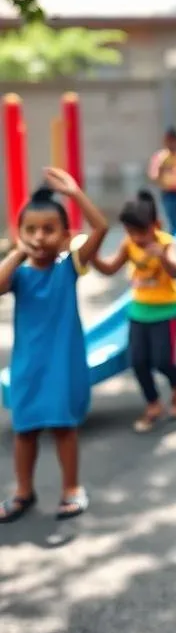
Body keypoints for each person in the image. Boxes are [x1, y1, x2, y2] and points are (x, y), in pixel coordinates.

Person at [0, 168, 108, 523]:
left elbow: (101, 229)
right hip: (28, 366)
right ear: (20, 234)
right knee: (25, 430)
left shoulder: (68, 267)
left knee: (64, 428)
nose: (39, 237)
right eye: (31, 229)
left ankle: (71, 489)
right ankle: (23, 491)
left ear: (65, 236)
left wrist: (75, 194)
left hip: (62, 364)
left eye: (49, 229)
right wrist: (17, 253)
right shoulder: (18, 273)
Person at [93, 190, 176, 433]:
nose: (136, 238)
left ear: (155, 225)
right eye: (130, 232)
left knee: (163, 360)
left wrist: (163, 257)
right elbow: (109, 268)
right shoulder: (129, 245)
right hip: (138, 311)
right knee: (137, 361)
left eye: (141, 232)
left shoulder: (167, 243)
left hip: (165, 311)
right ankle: (153, 403)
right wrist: (90, 256)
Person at [147, 126, 176, 233]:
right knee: (173, 221)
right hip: (168, 194)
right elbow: (153, 176)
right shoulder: (161, 157)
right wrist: (161, 168)